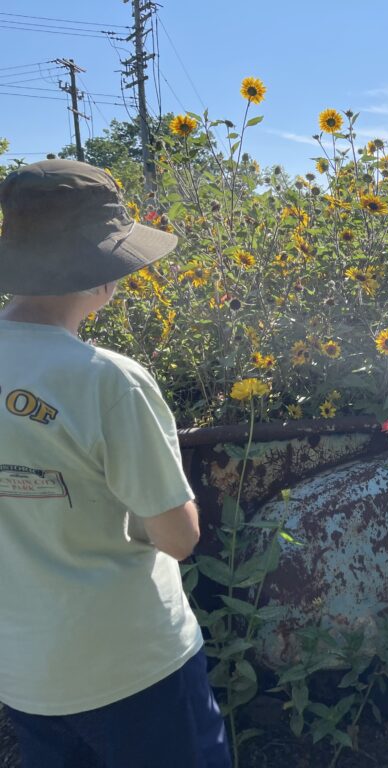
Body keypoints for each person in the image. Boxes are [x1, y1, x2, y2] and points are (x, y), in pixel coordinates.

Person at [0, 159, 231, 767]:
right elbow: (177, 537)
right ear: (100, 274)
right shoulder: (108, 381)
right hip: (134, 667)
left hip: (24, 673)